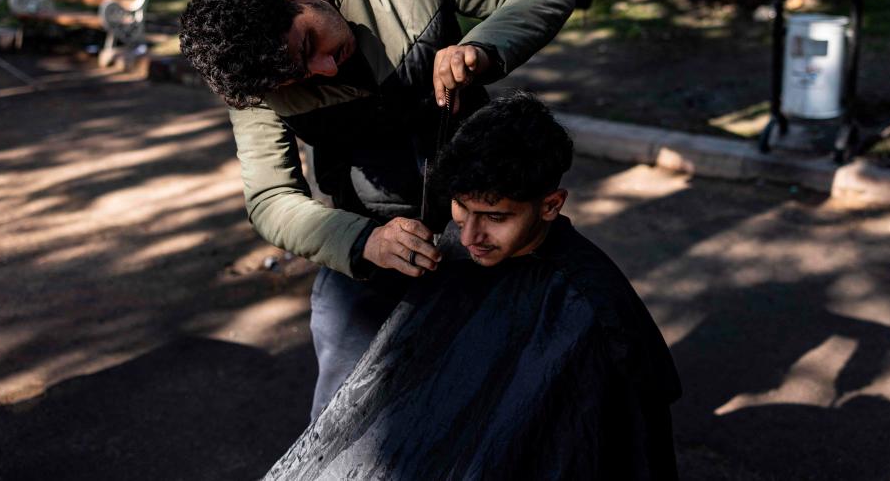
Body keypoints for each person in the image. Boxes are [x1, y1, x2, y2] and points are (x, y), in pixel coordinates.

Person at [179, 0, 575, 417]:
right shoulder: (254, 69)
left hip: (486, 222)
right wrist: (364, 242)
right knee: (345, 414)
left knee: (509, 395)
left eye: (308, 48)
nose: (322, 70)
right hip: (370, 245)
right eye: (298, 77)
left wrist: (482, 49)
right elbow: (269, 199)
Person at [262, 92, 682, 480]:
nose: (468, 236)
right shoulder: (456, 255)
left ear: (551, 205)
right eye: (461, 208)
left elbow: (603, 447)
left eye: (495, 217)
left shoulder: (590, 302)